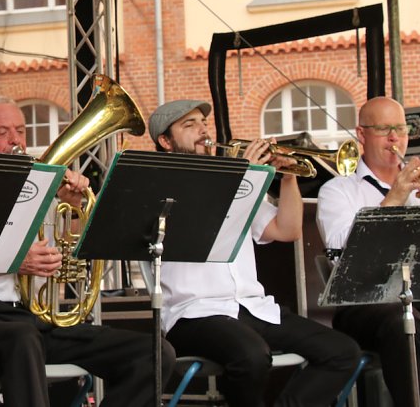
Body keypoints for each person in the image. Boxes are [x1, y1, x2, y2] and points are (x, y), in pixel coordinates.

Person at [0, 96, 176, 406]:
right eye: (3, 132)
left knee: (155, 353)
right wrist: (13, 264)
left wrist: (75, 208)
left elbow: (71, 242)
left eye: (20, 130)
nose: (15, 140)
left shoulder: (36, 189)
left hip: (29, 320)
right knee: (21, 338)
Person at [151, 99, 362, 407]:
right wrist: (249, 176)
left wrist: (288, 176)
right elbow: (206, 220)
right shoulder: (161, 187)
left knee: (343, 352)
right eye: (189, 125)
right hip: (194, 313)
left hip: (252, 307)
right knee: (251, 356)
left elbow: (287, 229)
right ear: (165, 142)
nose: (202, 131)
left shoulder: (236, 182)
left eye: (202, 123)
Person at [317, 96, 420, 406]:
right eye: (384, 129)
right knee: (403, 320)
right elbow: (342, 251)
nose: (395, 137)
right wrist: (394, 198)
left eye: (400, 128)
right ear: (361, 134)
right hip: (369, 307)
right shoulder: (338, 191)